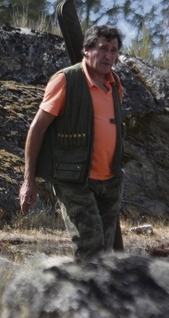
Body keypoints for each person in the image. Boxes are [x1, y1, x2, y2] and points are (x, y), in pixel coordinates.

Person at [19, 25, 125, 259]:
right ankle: (81, 293)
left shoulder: (115, 84)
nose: (108, 56)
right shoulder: (66, 80)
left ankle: (93, 293)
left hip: (110, 182)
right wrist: (29, 180)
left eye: (114, 50)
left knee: (105, 254)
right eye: (103, 48)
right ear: (86, 50)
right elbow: (37, 128)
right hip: (74, 180)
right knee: (91, 247)